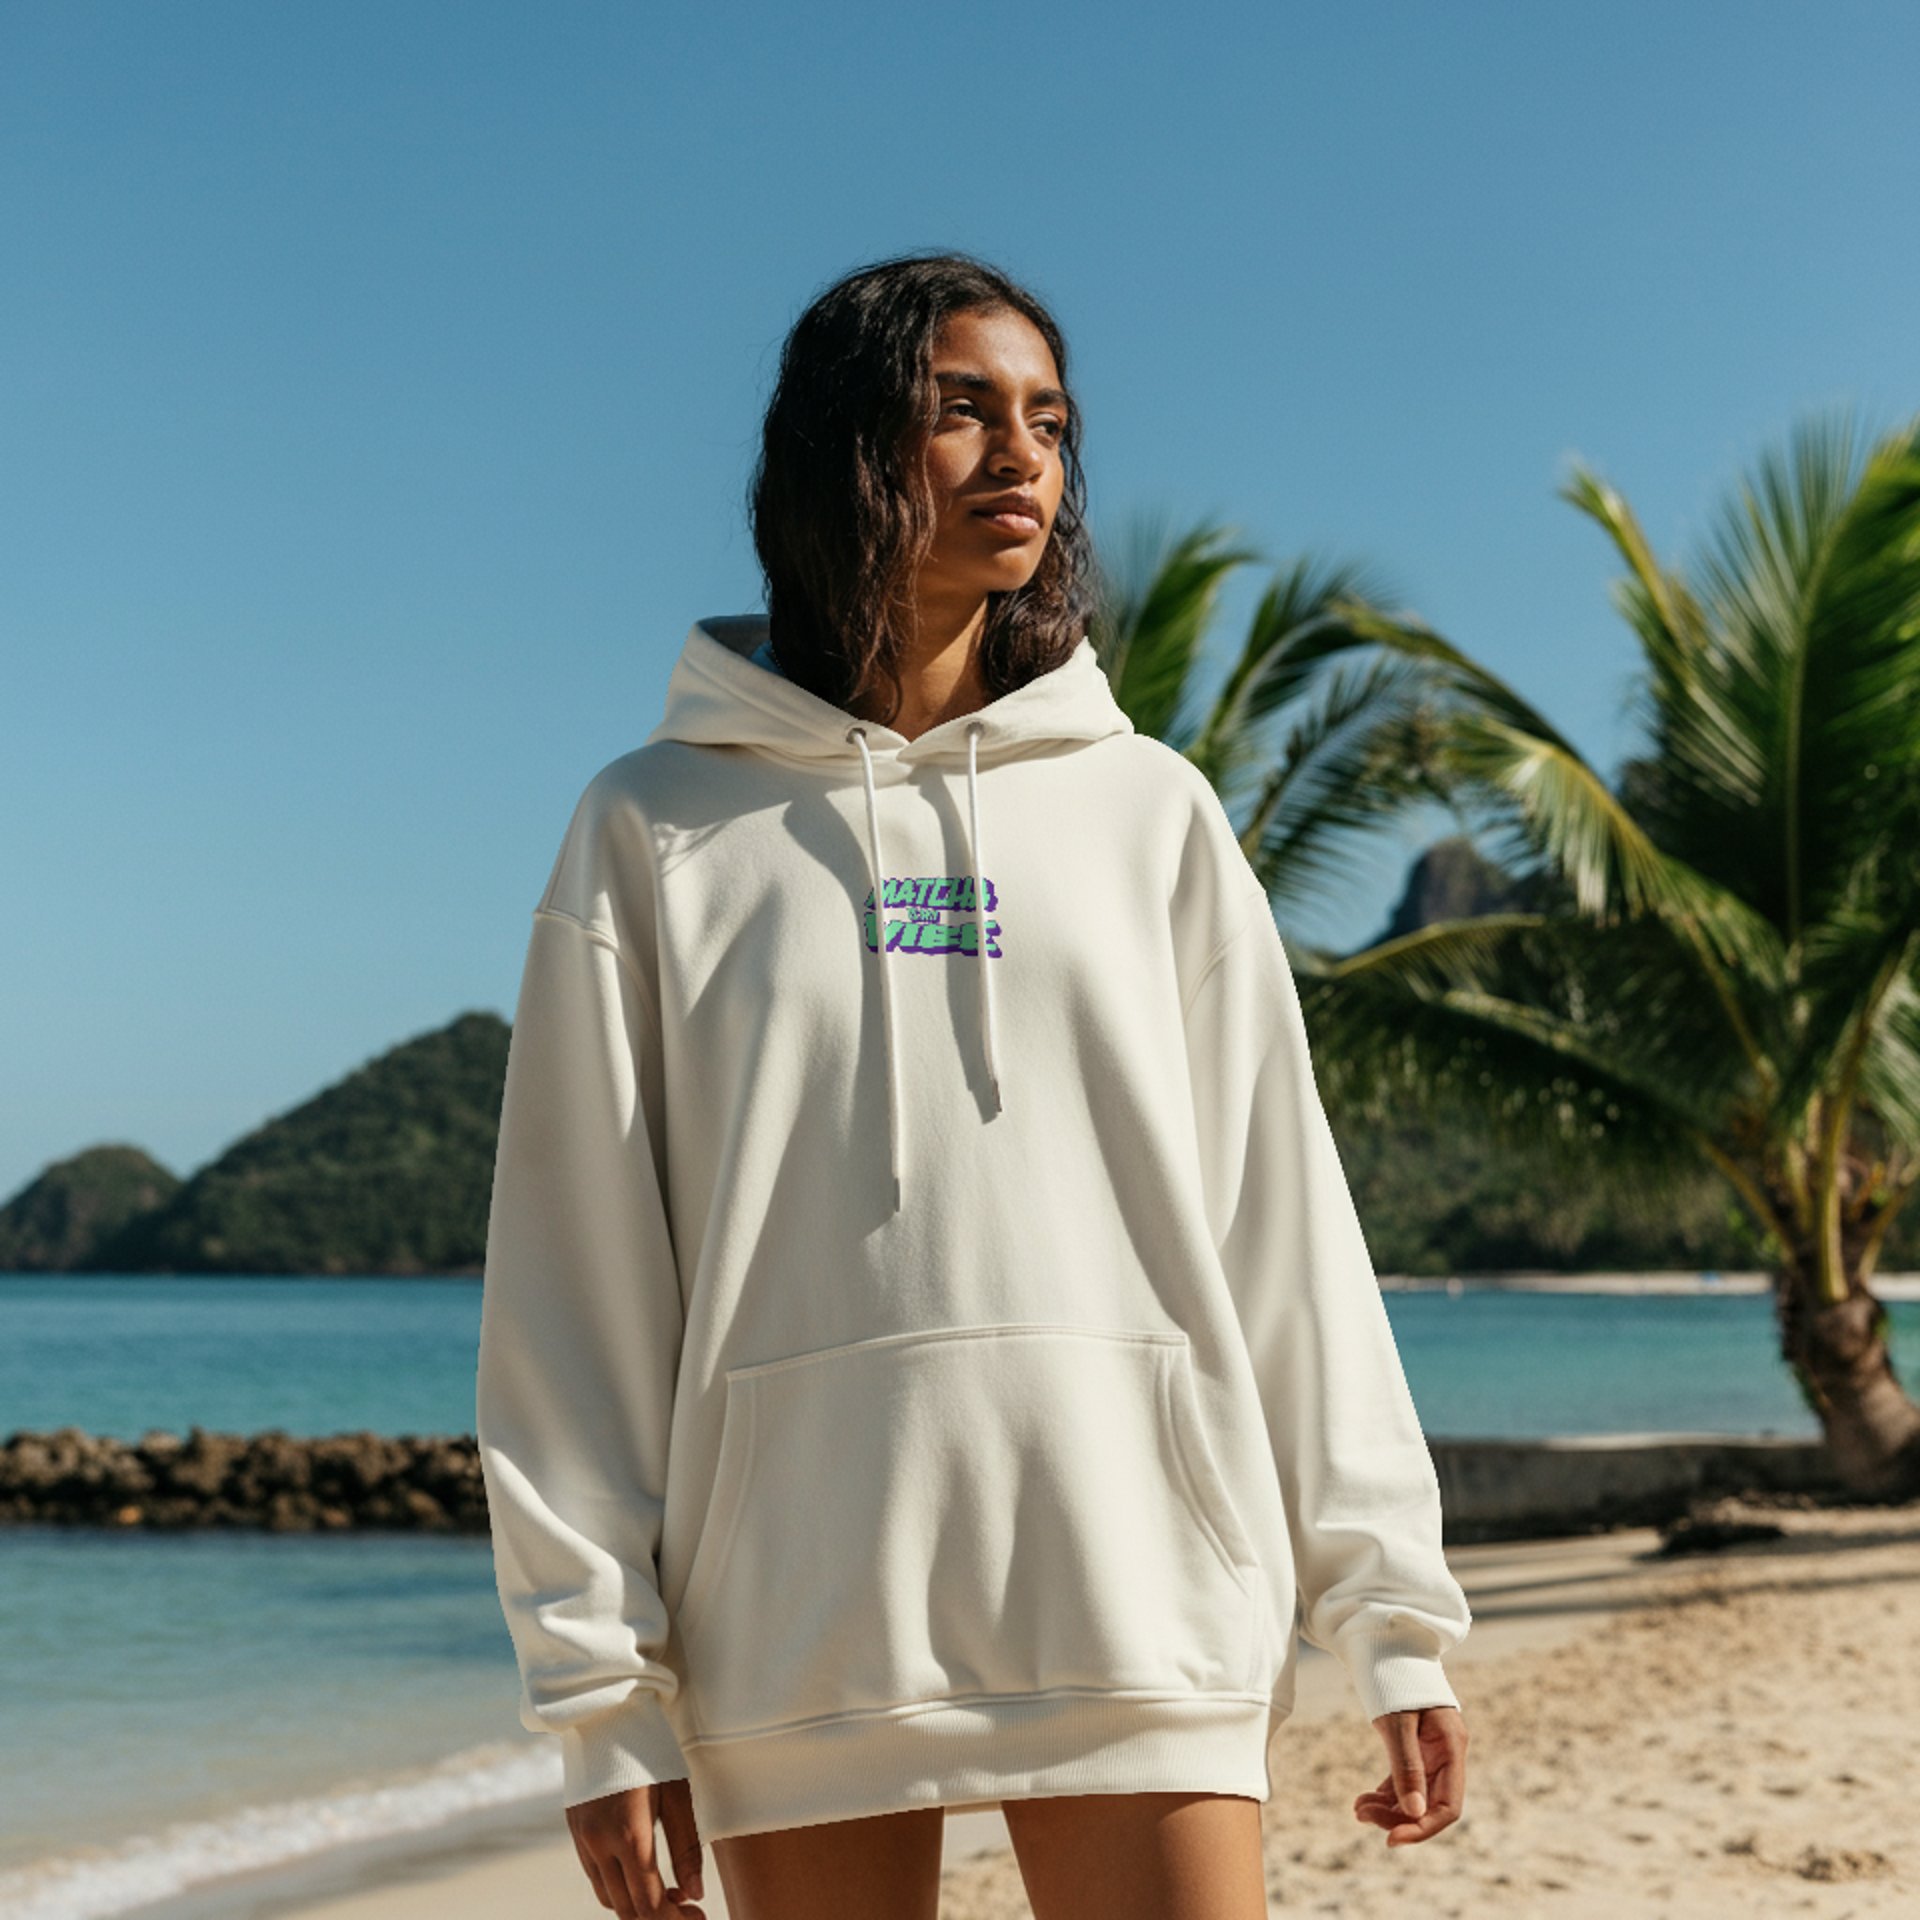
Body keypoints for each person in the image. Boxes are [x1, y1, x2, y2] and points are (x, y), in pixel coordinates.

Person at [474, 250, 1472, 1920]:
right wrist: (599, 1698)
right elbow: (575, 1291)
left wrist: (1392, 1612)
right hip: (799, 1627)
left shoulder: (1149, 811)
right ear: (845, 448)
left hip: (1143, 1591)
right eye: (962, 411)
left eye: (1050, 419)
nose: (1023, 454)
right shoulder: (650, 827)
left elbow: (1283, 1226)